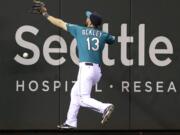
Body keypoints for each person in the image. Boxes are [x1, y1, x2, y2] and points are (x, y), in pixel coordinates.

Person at [32, 1, 116, 129]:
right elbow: (113, 39)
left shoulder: (80, 30)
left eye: (88, 17)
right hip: (97, 72)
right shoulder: (103, 35)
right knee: (74, 93)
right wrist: (101, 34)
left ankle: (105, 107)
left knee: (83, 99)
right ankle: (70, 122)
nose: (86, 18)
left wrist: (45, 14)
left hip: (86, 69)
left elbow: (60, 23)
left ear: (90, 22)